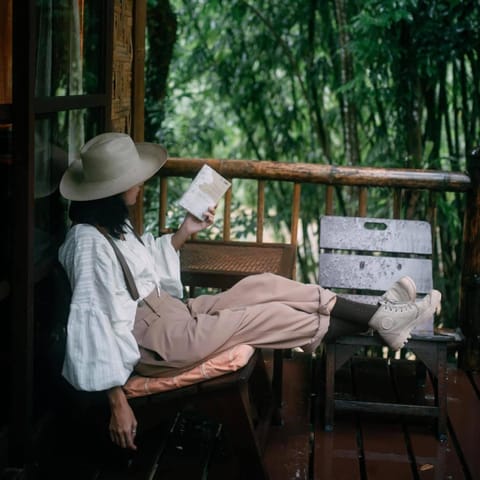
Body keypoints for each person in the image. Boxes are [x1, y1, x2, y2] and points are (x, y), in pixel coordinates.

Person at [58, 132, 442, 451]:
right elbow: (93, 320)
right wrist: (116, 400)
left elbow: (140, 274)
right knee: (262, 317)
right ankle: (383, 319)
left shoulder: (112, 227)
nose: (141, 184)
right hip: (157, 341)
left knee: (265, 284)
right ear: (112, 190)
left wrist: (184, 232)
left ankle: (380, 318)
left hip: (170, 314)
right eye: (133, 179)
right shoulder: (88, 244)